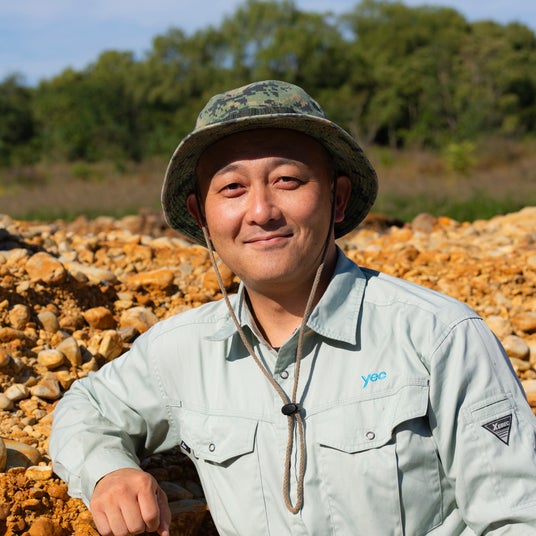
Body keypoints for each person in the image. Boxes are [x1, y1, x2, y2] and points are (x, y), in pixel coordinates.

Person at [49, 80, 536, 536]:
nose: (262, 211)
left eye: (287, 180)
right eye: (232, 188)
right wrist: (107, 472)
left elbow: (517, 516)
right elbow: (85, 408)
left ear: (337, 198)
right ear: (202, 217)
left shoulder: (438, 336)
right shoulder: (182, 350)